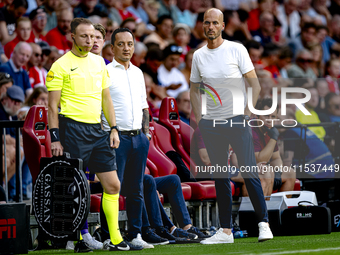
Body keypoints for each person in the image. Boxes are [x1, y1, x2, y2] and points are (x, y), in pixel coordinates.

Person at [190, 8, 273, 244]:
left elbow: (254, 86)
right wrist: (200, 119)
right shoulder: (198, 55)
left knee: (249, 172)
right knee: (220, 176)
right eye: (207, 23)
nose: (210, 27)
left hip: (237, 120)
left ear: (223, 25)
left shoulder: (236, 49)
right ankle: (225, 231)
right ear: (203, 25)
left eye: (215, 23)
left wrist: (246, 115)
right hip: (212, 125)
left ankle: (263, 224)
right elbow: (194, 90)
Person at [46, 17, 129, 252]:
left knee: (112, 185)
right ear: (72, 37)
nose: (90, 40)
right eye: (84, 36)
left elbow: (106, 98)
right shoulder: (60, 65)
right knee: (77, 187)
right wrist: (55, 138)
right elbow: (53, 107)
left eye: (93, 36)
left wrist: (113, 128)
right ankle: (78, 239)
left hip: (98, 130)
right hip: (72, 128)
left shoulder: (99, 62)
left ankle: (114, 238)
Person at [101, 27, 164, 249]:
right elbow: (101, 107)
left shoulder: (138, 73)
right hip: (115, 139)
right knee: (112, 188)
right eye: (121, 44)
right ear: (112, 48)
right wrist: (108, 131)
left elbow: (144, 106)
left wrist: (145, 134)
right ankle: (109, 235)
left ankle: (136, 234)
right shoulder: (105, 71)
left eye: (130, 44)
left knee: (136, 188)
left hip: (138, 138)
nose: (126, 48)